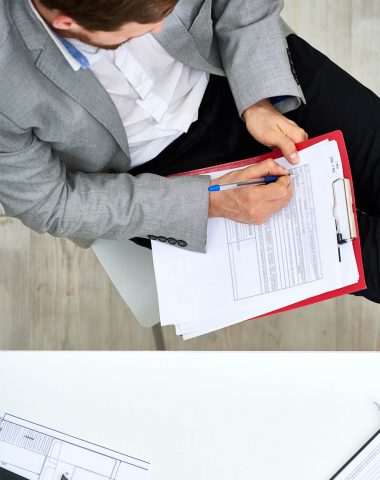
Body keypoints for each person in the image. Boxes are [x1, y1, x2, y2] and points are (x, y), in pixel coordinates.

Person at [0, 0, 379, 302]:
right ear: (68, 23)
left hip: (235, 62)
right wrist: (209, 202)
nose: (162, 29)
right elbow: (48, 203)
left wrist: (258, 100)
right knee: (369, 262)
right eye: (144, 29)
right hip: (158, 180)